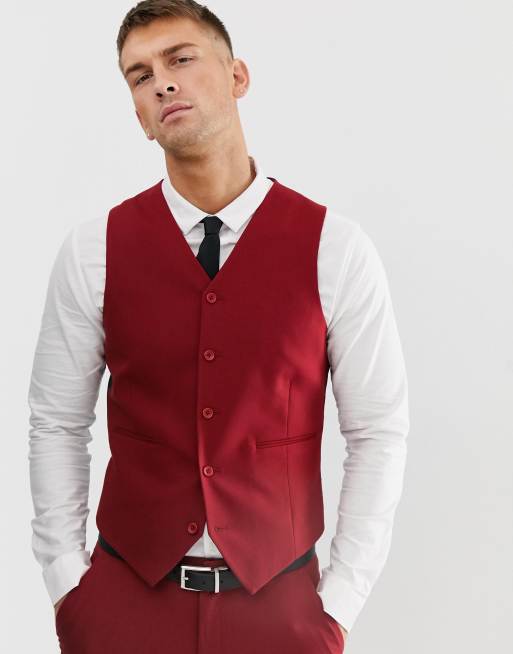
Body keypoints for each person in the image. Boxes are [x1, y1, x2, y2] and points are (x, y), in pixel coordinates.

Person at [27, 1, 409, 652]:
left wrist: (339, 602)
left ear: (237, 77)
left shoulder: (335, 249)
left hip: (281, 611)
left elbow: (376, 430)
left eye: (180, 59)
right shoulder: (94, 251)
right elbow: (57, 422)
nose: (162, 83)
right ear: (138, 114)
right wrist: (69, 585)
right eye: (140, 76)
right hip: (123, 607)